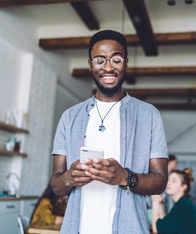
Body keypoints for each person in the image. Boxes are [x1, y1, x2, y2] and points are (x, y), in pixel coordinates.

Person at [50, 29, 168, 234]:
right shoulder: (70, 117)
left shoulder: (149, 115)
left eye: (116, 59)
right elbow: (56, 184)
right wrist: (69, 177)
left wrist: (124, 177)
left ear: (126, 63)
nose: (108, 67)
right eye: (99, 60)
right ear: (90, 64)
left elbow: (160, 181)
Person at [151, 168, 196, 234]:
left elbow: (156, 230)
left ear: (183, 187)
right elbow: (166, 224)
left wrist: (155, 202)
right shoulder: (184, 203)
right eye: (168, 180)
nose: (168, 183)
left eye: (173, 181)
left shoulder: (183, 206)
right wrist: (160, 204)